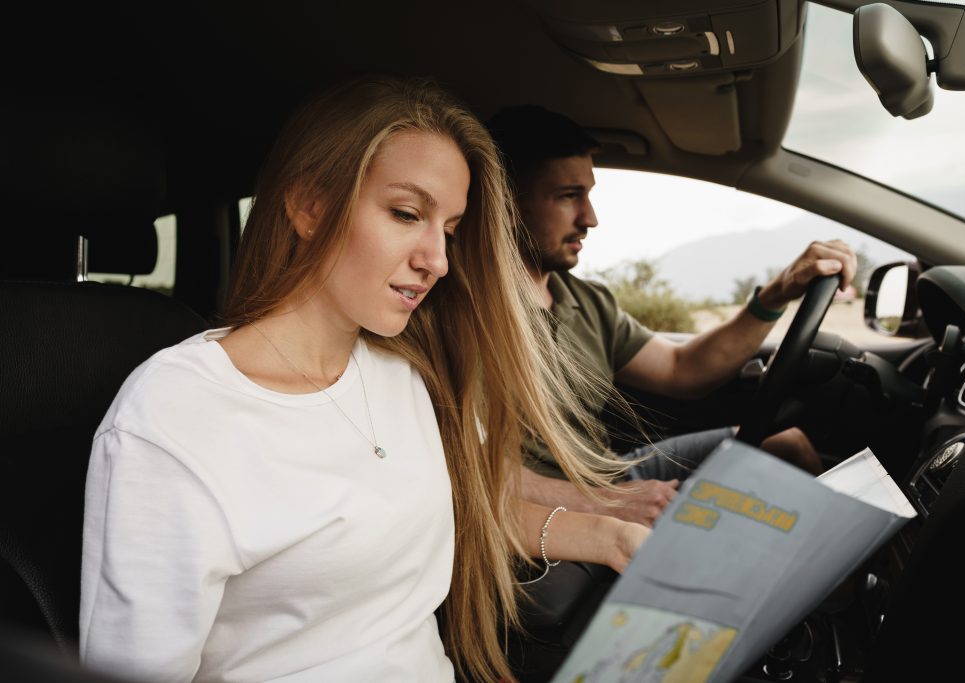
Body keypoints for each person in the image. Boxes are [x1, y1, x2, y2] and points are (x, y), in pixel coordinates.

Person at [78, 78, 649, 683]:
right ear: (309, 207)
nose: (438, 260)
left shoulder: (410, 374)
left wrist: (613, 537)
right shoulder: (175, 415)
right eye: (407, 214)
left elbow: (468, 509)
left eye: (449, 230)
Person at [486, 105, 858, 527]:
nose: (590, 218)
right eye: (568, 196)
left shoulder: (587, 302)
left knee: (786, 446)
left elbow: (684, 368)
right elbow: (467, 465)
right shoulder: (470, 314)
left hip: (610, 473)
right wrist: (603, 503)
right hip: (543, 504)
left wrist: (777, 294)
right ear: (506, 202)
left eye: (588, 195)